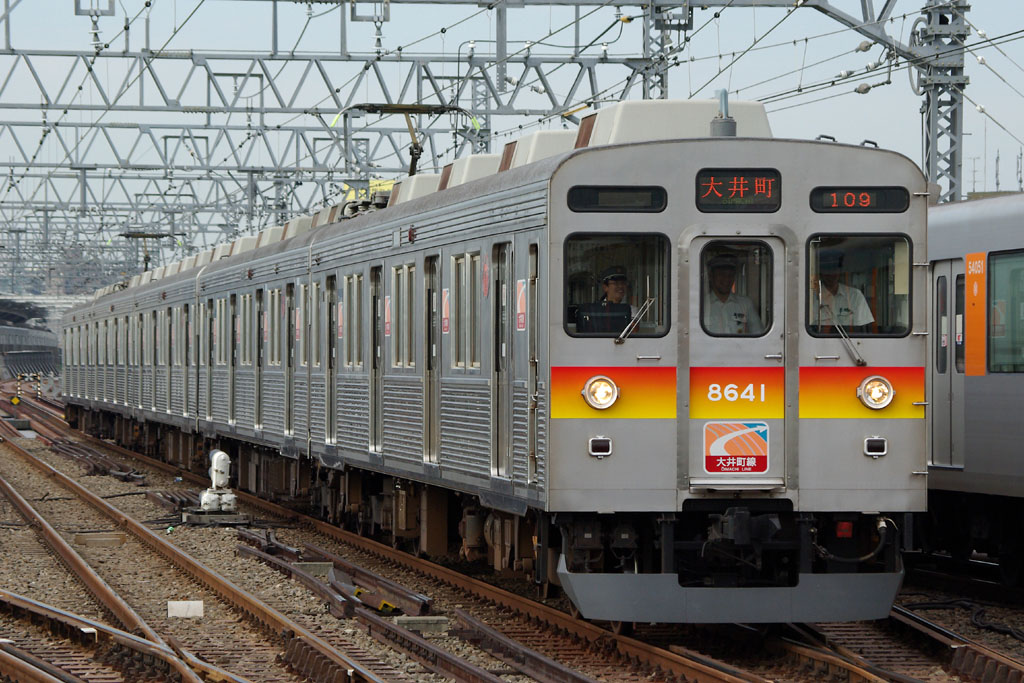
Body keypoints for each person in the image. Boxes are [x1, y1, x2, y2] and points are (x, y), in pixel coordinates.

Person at [811, 250, 874, 331]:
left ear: (840, 271)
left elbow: (864, 329)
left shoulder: (855, 296)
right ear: (821, 272)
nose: (831, 274)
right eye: (827, 269)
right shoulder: (812, 298)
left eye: (834, 269)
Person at [704, 254, 763, 335]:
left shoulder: (746, 304)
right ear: (711, 276)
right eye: (721, 274)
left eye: (730, 275)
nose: (726, 279)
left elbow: (758, 333)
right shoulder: (702, 305)